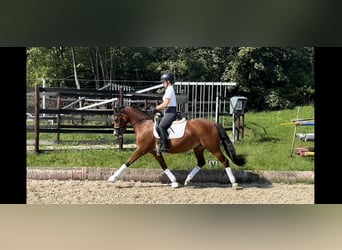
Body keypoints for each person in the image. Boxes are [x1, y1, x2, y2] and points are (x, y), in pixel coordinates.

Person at [152, 73, 177, 153]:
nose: (162, 83)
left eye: (163, 82)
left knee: (161, 126)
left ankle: (165, 147)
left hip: (171, 111)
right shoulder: (169, 89)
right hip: (168, 111)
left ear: (168, 81)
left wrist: (156, 108)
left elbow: (165, 104)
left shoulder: (169, 89)